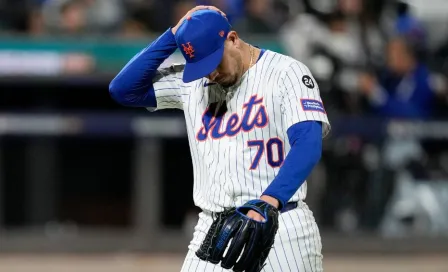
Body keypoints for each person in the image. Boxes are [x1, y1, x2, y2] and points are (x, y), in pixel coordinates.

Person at [109, 5, 330, 272]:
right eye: (203, 68)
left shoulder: (287, 73)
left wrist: (270, 200)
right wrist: (174, 35)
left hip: (281, 226)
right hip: (214, 229)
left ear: (233, 39)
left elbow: (308, 142)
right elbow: (123, 90)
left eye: (215, 63)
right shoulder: (192, 84)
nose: (211, 74)